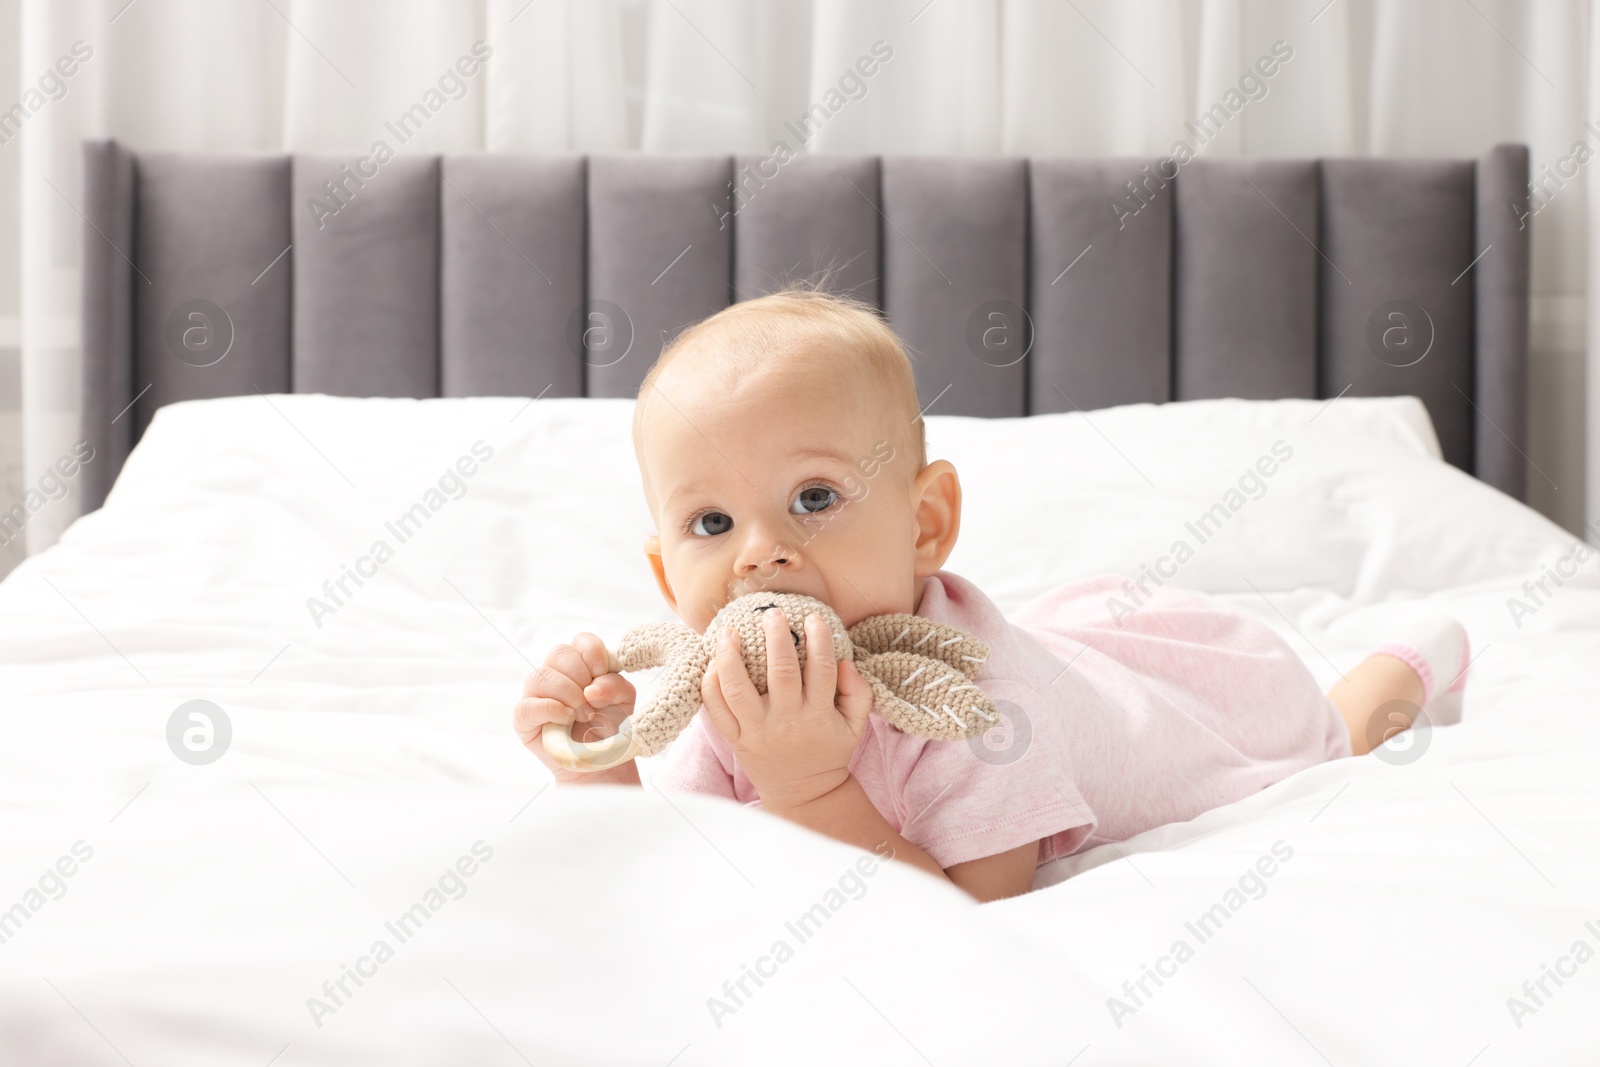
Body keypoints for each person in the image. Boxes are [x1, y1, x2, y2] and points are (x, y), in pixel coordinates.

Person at [512, 287, 1468, 904]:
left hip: (1172, 706)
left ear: (925, 525)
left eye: (813, 499)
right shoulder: (726, 691)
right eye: (711, 524)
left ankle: (1411, 662)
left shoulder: (977, 709)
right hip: (1069, 660)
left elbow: (974, 908)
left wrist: (810, 786)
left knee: (1318, 733)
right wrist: (601, 772)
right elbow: (683, 862)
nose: (761, 555)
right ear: (664, 576)